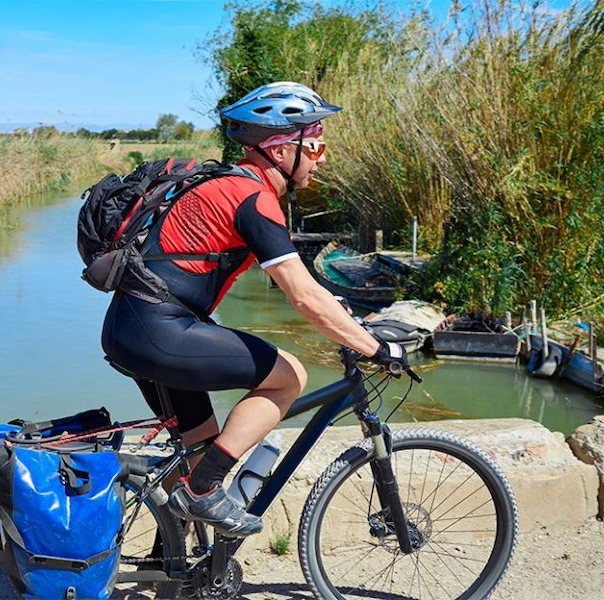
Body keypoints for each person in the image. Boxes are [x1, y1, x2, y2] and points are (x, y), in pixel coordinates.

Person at [101, 81, 407, 538]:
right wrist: (373, 346)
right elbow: (301, 296)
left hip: (133, 328)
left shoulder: (224, 183)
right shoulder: (253, 198)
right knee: (289, 377)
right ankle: (204, 489)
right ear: (282, 151)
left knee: (200, 451)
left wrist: (337, 310)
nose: (321, 157)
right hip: (161, 331)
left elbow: (300, 286)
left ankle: (173, 568)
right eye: (317, 145)